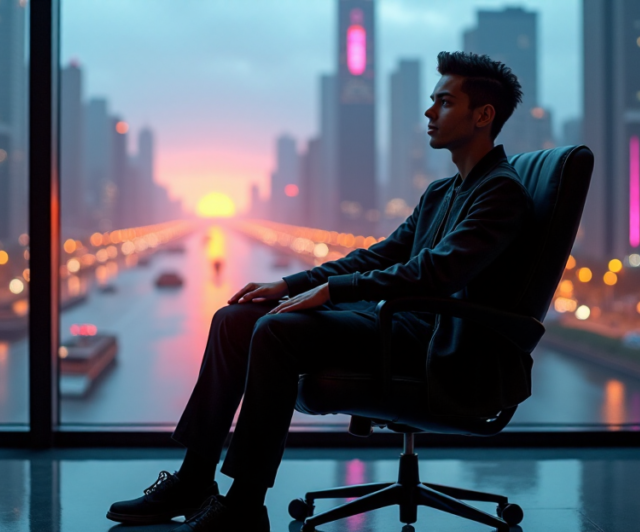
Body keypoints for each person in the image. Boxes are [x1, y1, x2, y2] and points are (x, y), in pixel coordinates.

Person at [107, 51, 532, 532]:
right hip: (396, 324)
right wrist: (289, 284)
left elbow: (436, 275)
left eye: (444, 102)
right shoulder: (442, 192)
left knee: (277, 332)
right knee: (236, 319)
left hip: (438, 346)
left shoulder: (500, 192)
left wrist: (332, 292)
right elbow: (378, 255)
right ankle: (194, 478)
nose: (430, 113)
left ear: (483, 115)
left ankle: (245, 504)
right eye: (431, 102)